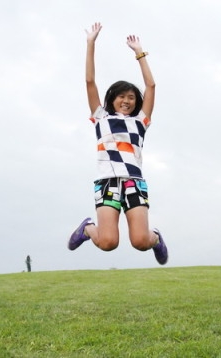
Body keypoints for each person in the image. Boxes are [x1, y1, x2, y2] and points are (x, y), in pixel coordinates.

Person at [68, 22, 168, 265]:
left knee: (141, 242)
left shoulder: (141, 121)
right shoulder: (101, 117)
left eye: (131, 97)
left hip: (134, 182)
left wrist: (139, 54)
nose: (126, 100)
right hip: (107, 182)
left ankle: (157, 239)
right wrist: (90, 43)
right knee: (108, 243)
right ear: (112, 99)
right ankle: (87, 230)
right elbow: (90, 82)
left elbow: (151, 86)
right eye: (121, 96)